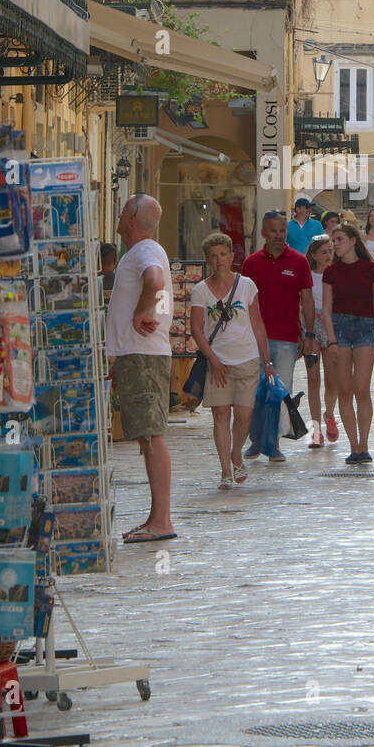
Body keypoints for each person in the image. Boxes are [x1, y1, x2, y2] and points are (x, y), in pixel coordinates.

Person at [106, 194, 176, 544]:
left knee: (151, 434)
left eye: (122, 212)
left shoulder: (146, 250)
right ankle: (155, 517)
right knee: (147, 436)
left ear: (132, 219)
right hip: (136, 355)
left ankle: (161, 520)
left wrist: (143, 311)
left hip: (143, 353)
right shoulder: (141, 251)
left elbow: (155, 280)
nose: (117, 217)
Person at [190, 232, 274, 490]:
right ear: (207, 260)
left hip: (247, 358)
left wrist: (267, 360)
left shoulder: (247, 285)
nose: (219, 260)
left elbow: (257, 323)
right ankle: (226, 469)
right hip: (218, 361)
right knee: (220, 414)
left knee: (244, 414)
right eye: (213, 256)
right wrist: (213, 360)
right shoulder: (200, 291)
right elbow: (196, 329)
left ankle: (236, 453)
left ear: (232, 256)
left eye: (223, 254)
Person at [242, 210, 316, 462]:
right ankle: (255, 441)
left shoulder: (299, 262)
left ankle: (272, 444)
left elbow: (307, 299)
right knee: (254, 392)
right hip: (254, 338)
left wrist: (309, 334)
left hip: (286, 338)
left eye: (282, 230)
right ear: (264, 233)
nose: (278, 236)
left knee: (278, 393)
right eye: (273, 231)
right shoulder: (251, 263)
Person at [321, 223, 374, 465]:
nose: (335, 244)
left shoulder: (371, 269)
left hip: (365, 327)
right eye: (333, 240)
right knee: (345, 389)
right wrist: (331, 339)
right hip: (340, 330)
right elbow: (327, 309)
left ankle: (364, 443)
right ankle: (354, 446)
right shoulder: (331, 272)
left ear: (353, 240)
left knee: (362, 388)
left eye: (339, 239)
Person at [304, 234, 339, 447]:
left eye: (330, 251)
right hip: (311, 326)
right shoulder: (307, 275)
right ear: (314, 255)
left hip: (332, 325)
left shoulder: (337, 274)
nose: (327, 256)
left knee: (332, 380)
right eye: (323, 252)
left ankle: (329, 414)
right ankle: (315, 429)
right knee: (313, 379)